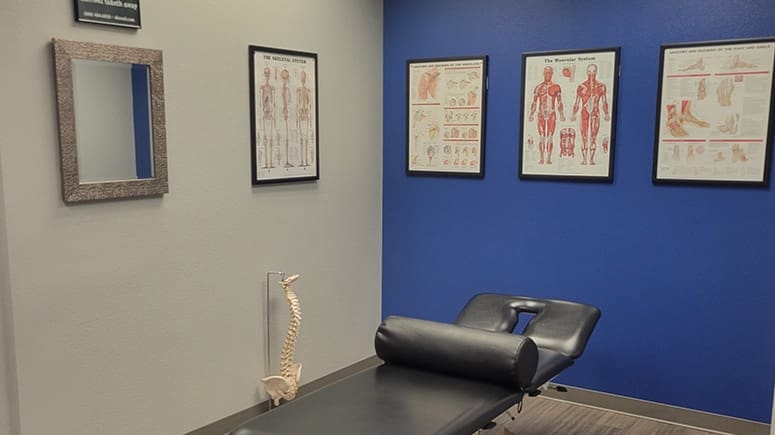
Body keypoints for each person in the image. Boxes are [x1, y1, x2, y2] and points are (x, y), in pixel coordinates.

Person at [571, 64, 610, 165]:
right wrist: (574, 114)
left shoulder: (601, 86)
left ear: (596, 72)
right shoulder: (581, 86)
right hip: (584, 112)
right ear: (586, 72)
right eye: (589, 71)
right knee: (584, 137)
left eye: (593, 71)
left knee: (593, 137)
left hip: (595, 113)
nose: (591, 73)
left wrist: (606, 113)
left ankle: (591, 159)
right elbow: (577, 102)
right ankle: (584, 159)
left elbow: (604, 102)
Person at [528, 66, 565, 165]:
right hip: (541, 114)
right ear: (543, 73)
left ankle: (548, 158)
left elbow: (559, 102)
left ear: (552, 73)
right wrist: (531, 114)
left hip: (552, 113)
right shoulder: (538, 87)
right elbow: (534, 102)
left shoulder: (556, 87)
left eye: (549, 73)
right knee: (541, 137)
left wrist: (561, 114)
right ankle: (541, 158)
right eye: (546, 73)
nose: (547, 75)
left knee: (549, 137)